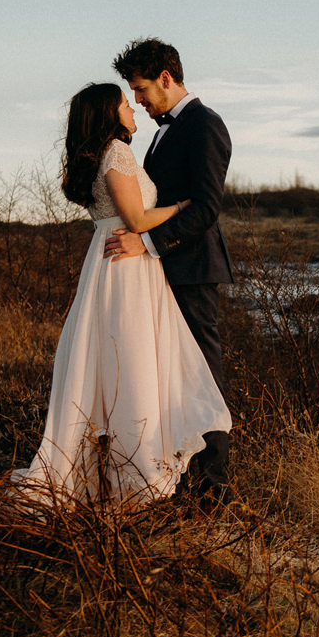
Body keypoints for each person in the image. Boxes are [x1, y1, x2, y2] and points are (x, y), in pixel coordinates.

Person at [8, 81, 231, 505]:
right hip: (127, 263)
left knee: (118, 362)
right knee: (134, 363)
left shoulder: (107, 152)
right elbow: (137, 217)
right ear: (109, 114)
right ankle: (141, 472)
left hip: (116, 261)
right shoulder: (117, 151)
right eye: (126, 101)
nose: (134, 106)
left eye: (137, 95)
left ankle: (125, 469)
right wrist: (183, 206)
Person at [103, 38, 234, 501]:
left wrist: (148, 243)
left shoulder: (205, 125)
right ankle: (173, 477)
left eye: (139, 89)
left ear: (165, 78)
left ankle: (212, 490)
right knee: (167, 376)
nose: (136, 99)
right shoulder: (162, 131)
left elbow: (205, 210)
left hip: (191, 268)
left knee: (201, 376)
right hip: (161, 272)